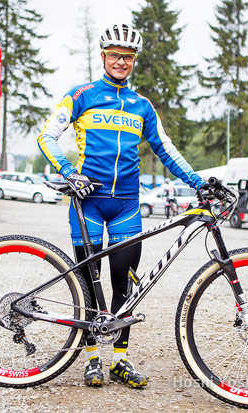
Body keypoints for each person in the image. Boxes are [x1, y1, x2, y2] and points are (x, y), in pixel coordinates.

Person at [36, 23, 206, 389]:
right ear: (103, 57)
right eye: (115, 55)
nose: (121, 62)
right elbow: (47, 135)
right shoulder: (82, 94)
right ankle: (91, 360)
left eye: (127, 57)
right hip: (89, 202)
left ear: (133, 62)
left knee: (124, 286)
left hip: (127, 204)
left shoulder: (142, 106)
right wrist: (67, 171)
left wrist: (198, 181)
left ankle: (120, 360)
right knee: (87, 288)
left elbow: (166, 149)